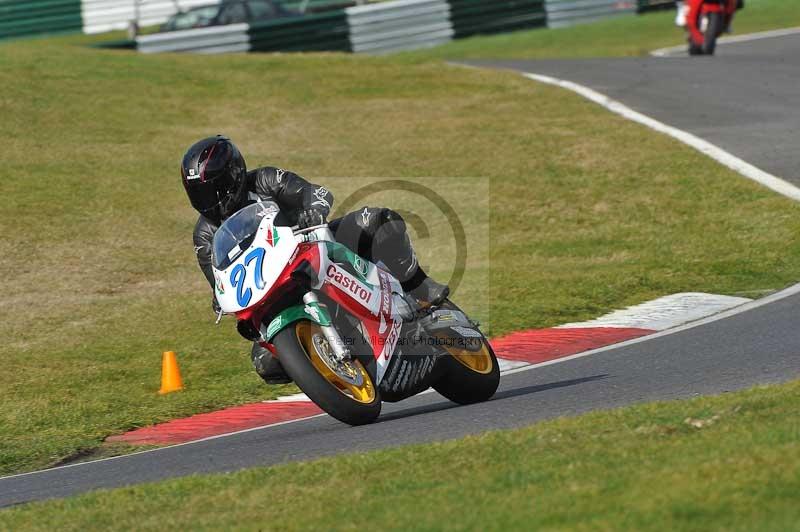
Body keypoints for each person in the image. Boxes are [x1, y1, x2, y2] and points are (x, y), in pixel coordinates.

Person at [181, 135, 449, 384]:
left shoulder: (264, 179)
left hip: (313, 245)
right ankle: (327, 372)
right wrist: (219, 299)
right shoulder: (204, 234)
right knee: (265, 363)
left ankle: (418, 285)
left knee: (379, 221)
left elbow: (315, 193)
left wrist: (313, 210)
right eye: (200, 194)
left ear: (234, 175)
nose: (210, 201)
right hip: (270, 287)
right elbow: (218, 279)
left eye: (215, 190)